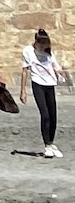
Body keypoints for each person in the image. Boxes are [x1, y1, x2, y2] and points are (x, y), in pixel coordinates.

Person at [20, 29, 63, 158]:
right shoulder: (28, 51)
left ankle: (51, 142)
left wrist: (59, 73)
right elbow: (25, 71)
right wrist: (23, 90)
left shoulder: (48, 53)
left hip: (50, 84)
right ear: (37, 42)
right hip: (38, 84)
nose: (44, 47)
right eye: (42, 44)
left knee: (53, 115)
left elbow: (56, 66)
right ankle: (47, 146)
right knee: (45, 115)